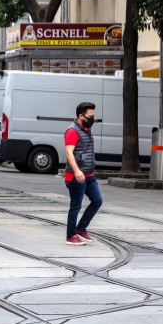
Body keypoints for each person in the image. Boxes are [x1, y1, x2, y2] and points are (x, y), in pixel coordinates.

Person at [64, 102, 102, 246]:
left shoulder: (86, 129)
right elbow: (69, 152)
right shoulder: (72, 131)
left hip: (88, 175)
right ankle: (71, 235)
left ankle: (81, 229)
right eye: (90, 116)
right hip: (75, 176)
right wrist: (76, 170)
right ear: (81, 116)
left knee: (97, 200)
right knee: (76, 205)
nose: (92, 119)